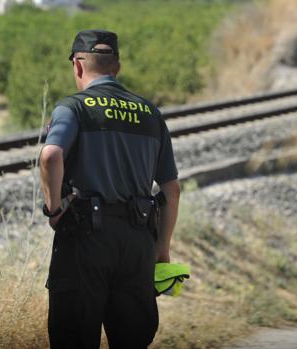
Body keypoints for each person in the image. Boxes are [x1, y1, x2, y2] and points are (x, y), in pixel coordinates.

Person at [39, 29, 181, 348]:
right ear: (116, 67)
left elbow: (50, 157)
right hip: (137, 242)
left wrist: (54, 209)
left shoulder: (73, 108)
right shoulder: (150, 114)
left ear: (78, 65)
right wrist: (161, 248)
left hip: (84, 241)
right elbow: (172, 191)